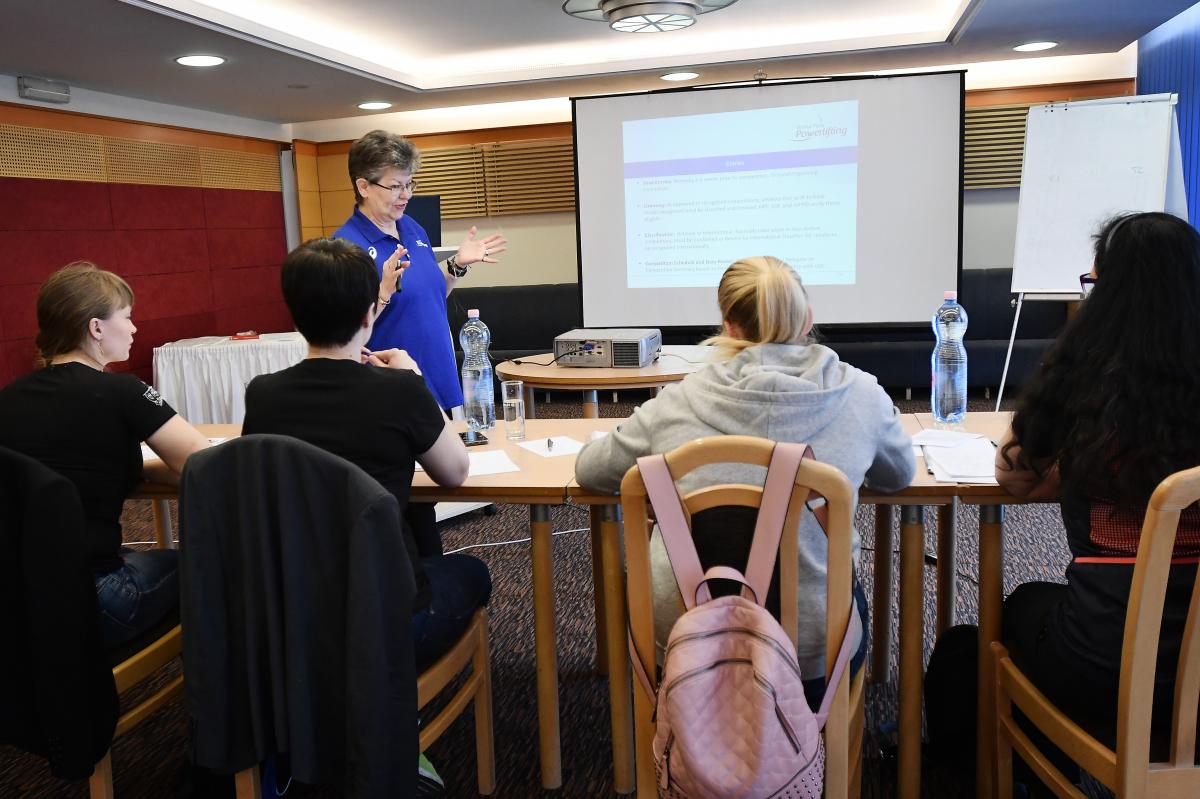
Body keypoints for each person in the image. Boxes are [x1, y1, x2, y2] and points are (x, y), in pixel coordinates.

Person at [925, 212, 1200, 787]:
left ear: (1109, 295)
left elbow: (1016, 479)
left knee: (972, 643)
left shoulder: (1092, 384)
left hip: (1107, 662)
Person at [574, 255, 915, 701]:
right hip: (812, 653)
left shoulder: (676, 400)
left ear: (728, 325)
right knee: (846, 597)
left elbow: (591, 471)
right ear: (808, 318)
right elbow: (899, 475)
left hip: (684, 644)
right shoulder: (862, 395)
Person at [242, 237, 491, 672]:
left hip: (294, 610)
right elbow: (454, 471)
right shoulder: (398, 390)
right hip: (383, 613)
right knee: (471, 572)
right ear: (370, 312)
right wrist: (415, 380)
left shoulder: (262, 394)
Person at [0, 262, 210, 649]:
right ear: (96, 328)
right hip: (95, 600)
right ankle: (201, 692)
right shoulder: (123, 393)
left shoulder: (8, 399)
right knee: (206, 567)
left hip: (17, 600)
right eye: (127, 318)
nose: (134, 329)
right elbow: (208, 465)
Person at [333, 129, 507, 558]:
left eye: (410, 183)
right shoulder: (346, 248)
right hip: (388, 391)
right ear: (362, 186)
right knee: (398, 499)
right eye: (395, 186)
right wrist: (382, 292)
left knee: (425, 496)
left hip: (431, 377)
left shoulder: (411, 227)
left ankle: (421, 578)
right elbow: (343, 332)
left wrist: (457, 267)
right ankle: (406, 590)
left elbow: (430, 294)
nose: (405, 194)